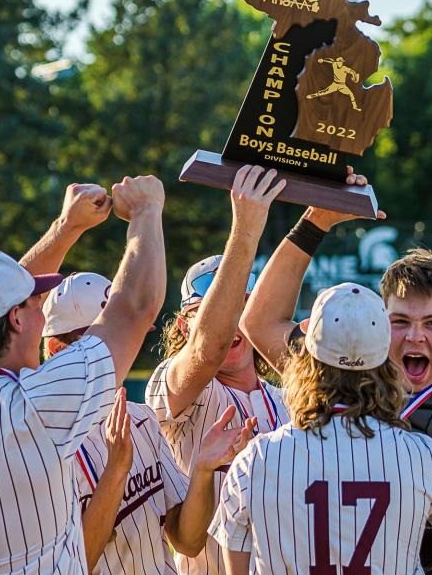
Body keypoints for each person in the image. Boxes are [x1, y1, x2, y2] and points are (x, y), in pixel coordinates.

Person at [0, 178, 166, 574]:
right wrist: (146, 212)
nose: (42, 312)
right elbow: (136, 308)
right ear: (16, 319)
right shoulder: (32, 409)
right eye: (35, 303)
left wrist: (67, 227)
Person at [210, 283, 432, 575]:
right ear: (385, 362)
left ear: (306, 357)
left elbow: (235, 567)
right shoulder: (418, 454)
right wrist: (419, 538)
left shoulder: (255, 460)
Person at [41, 271, 255, 574]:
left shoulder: (140, 419)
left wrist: (204, 469)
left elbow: (187, 542)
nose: (125, 346)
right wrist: (116, 471)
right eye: (108, 340)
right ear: (58, 350)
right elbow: (73, 565)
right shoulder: (39, 445)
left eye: (128, 334)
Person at [144, 165, 289, 575]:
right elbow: (209, 348)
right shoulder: (177, 385)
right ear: (185, 326)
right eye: (209, 312)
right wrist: (245, 230)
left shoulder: (287, 398)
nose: (231, 322)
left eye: (242, 306)